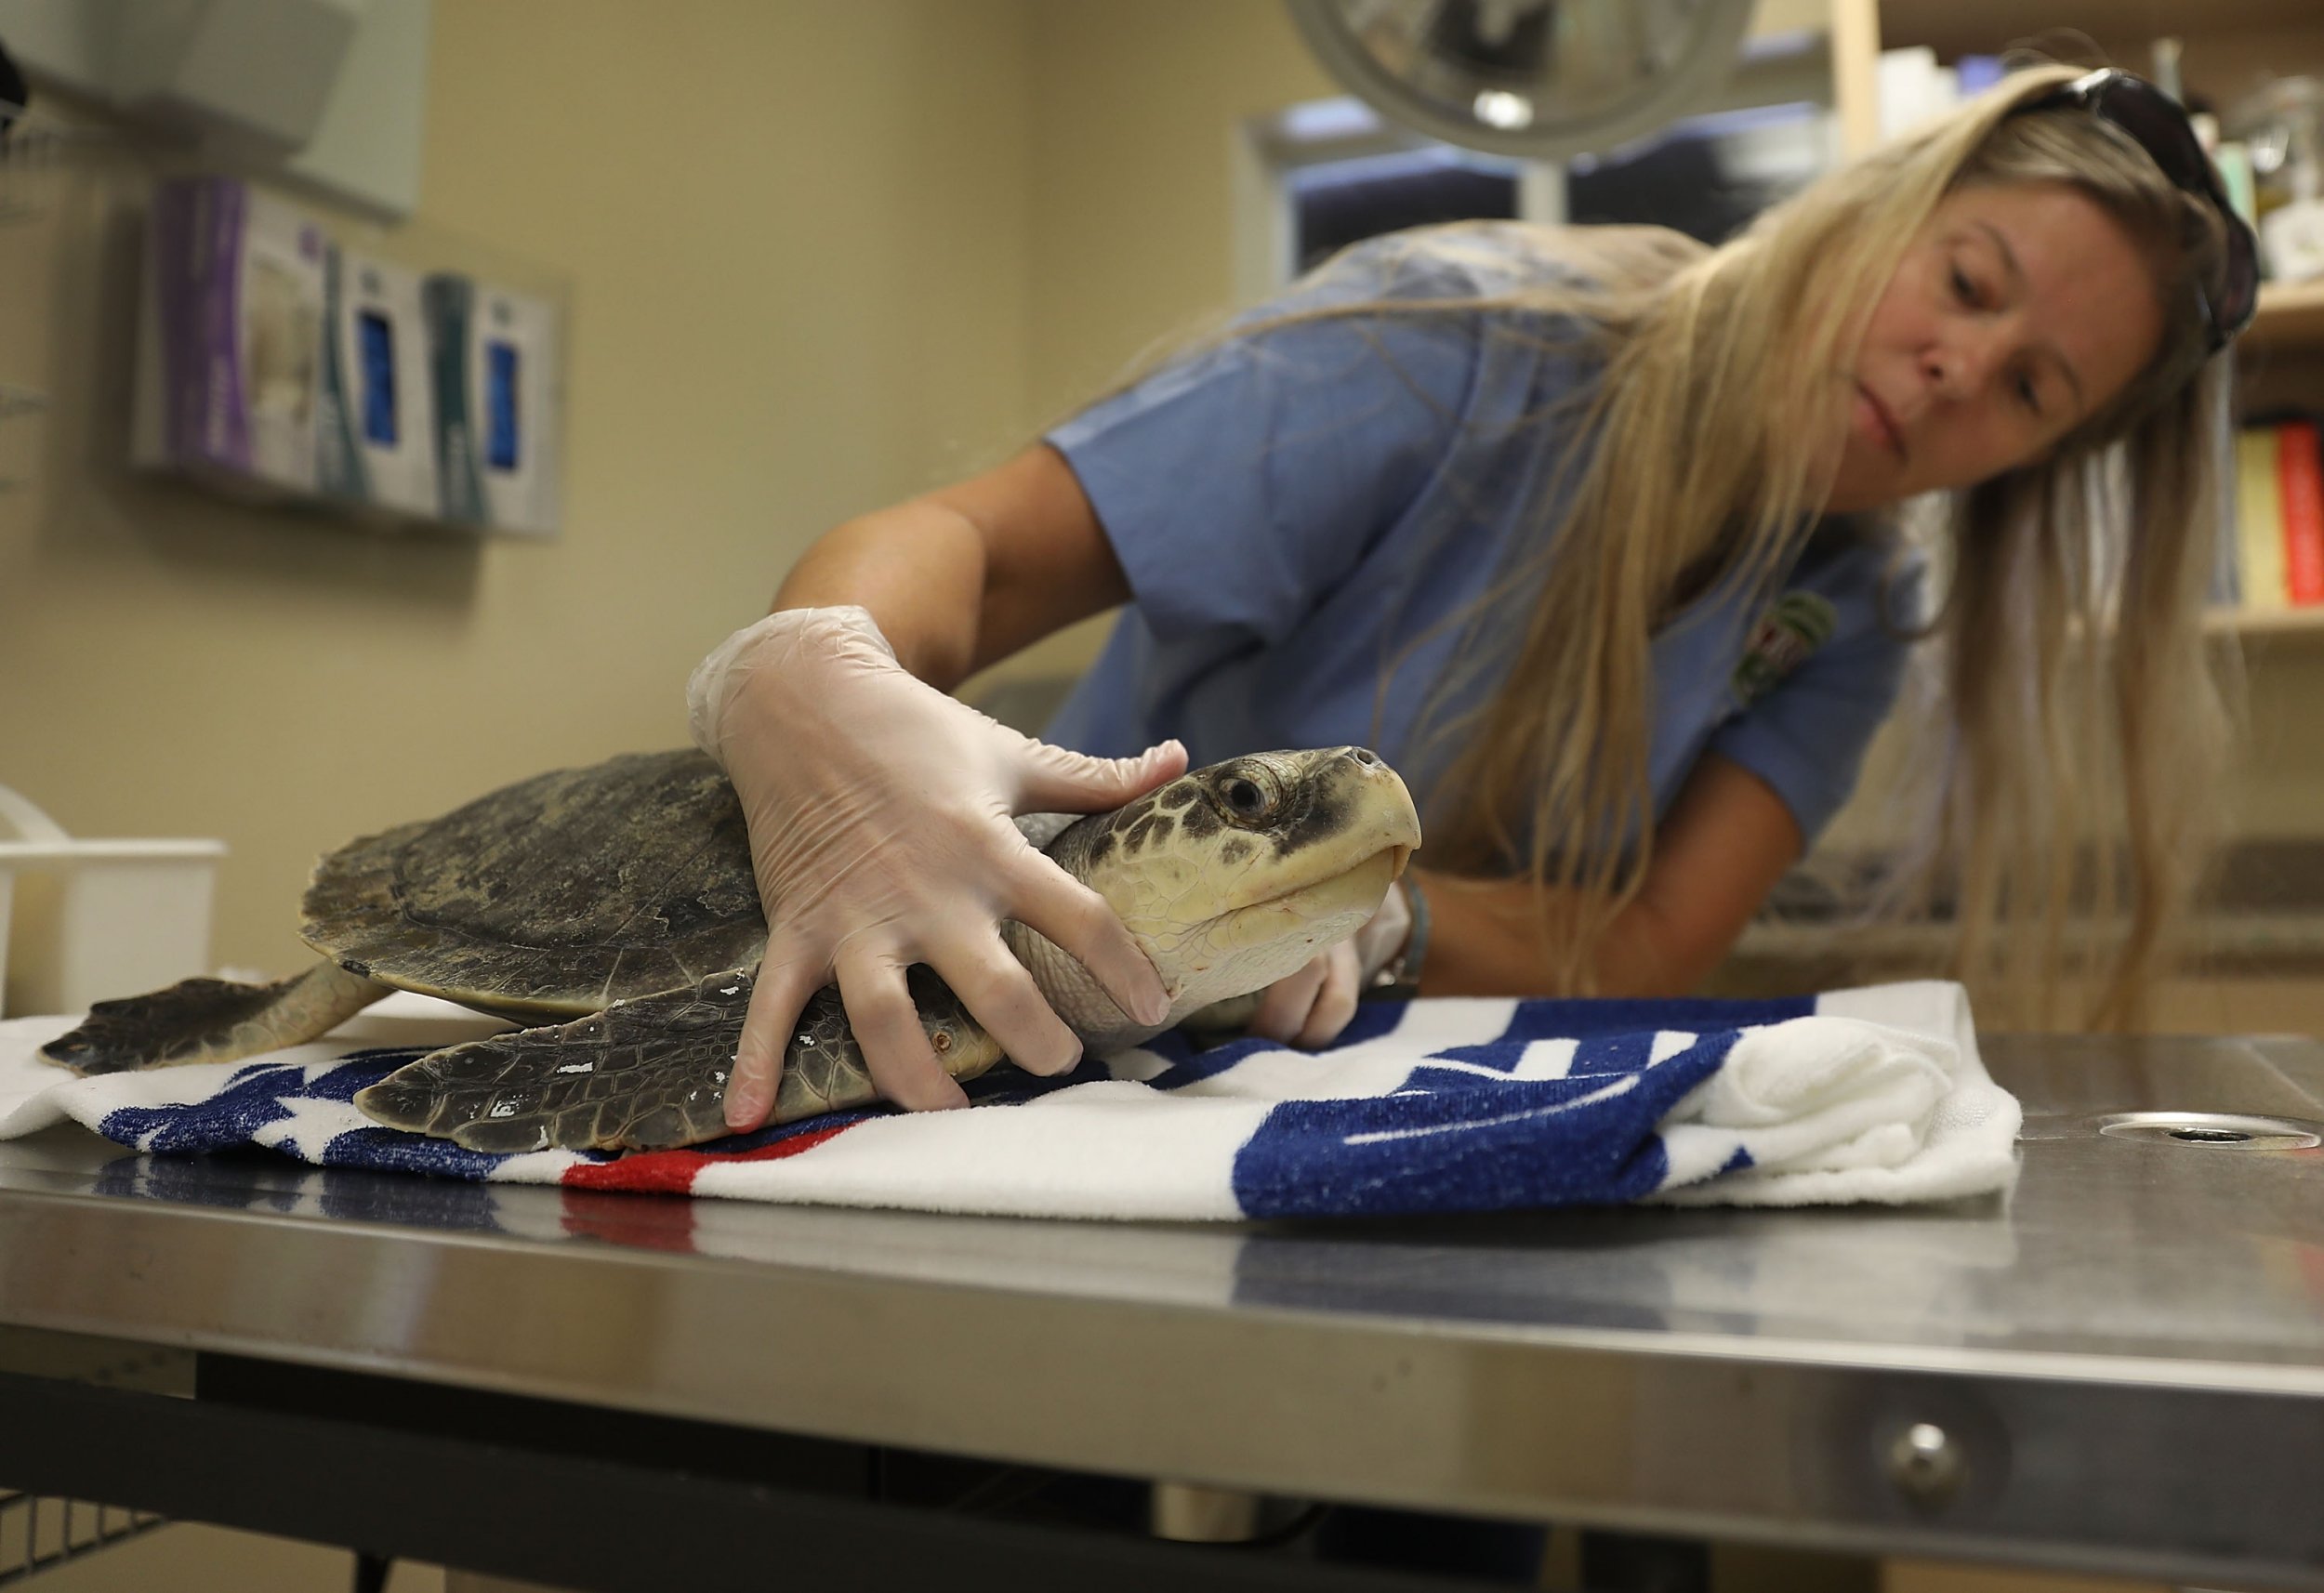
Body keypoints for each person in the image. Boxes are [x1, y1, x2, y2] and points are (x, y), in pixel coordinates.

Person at [688, 63, 2256, 1137]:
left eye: (2032, 387)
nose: (1959, 371)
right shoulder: (1466, 343)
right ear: (1882, 208)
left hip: (1433, 1115)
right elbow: (969, 551)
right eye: (1971, 286)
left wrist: (1381, 913)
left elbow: (1640, 942)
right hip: (1052, 1064)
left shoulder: (1853, 615)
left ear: (2039, 462)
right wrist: (822, 675)